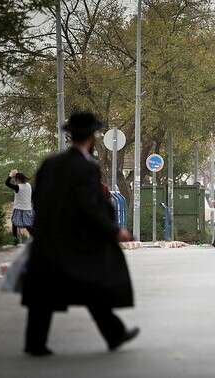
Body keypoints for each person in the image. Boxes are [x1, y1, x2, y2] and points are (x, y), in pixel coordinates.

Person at [22, 111, 139, 357]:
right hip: (78, 240)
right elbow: (89, 206)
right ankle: (114, 333)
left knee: (45, 290)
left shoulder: (50, 163)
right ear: (92, 137)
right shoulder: (86, 167)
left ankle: (35, 342)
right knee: (92, 284)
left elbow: (38, 199)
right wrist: (114, 230)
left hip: (47, 238)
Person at [5, 170, 34, 243]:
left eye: (15, 179)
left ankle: (15, 240)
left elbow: (7, 183)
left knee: (14, 223)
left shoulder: (18, 187)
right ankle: (35, 238)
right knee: (27, 225)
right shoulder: (29, 185)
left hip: (19, 208)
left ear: (17, 179)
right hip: (28, 208)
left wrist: (11, 175)